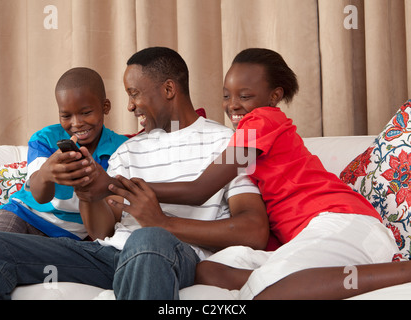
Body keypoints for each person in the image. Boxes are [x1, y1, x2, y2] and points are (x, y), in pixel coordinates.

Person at [0, 47, 269, 300]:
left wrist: (162, 224)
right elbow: (102, 230)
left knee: (147, 238)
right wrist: (88, 190)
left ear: (169, 89)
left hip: (171, 254)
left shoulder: (230, 144)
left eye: (134, 93)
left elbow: (254, 231)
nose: (129, 106)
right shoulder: (128, 149)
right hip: (109, 255)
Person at [142, 48, 411, 300]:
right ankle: (289, 279)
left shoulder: (261, 122)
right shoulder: (249, 136)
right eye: (226, 96)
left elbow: (199, 190)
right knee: (208, 270)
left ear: (274, 96)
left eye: (244, 96)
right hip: (309, 238)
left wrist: (128, 187)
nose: (233, 105)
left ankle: (403, 271)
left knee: (269, 291)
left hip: (344, 224)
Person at [0, 68, 128, 240]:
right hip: (23, 215)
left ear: (105, 107)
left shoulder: (122, 148)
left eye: (86, 113)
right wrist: (46, 174)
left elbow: (108, 222)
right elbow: (40, 196)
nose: (77, 123)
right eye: (66, 115)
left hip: (70, 236)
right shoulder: (46, 138)